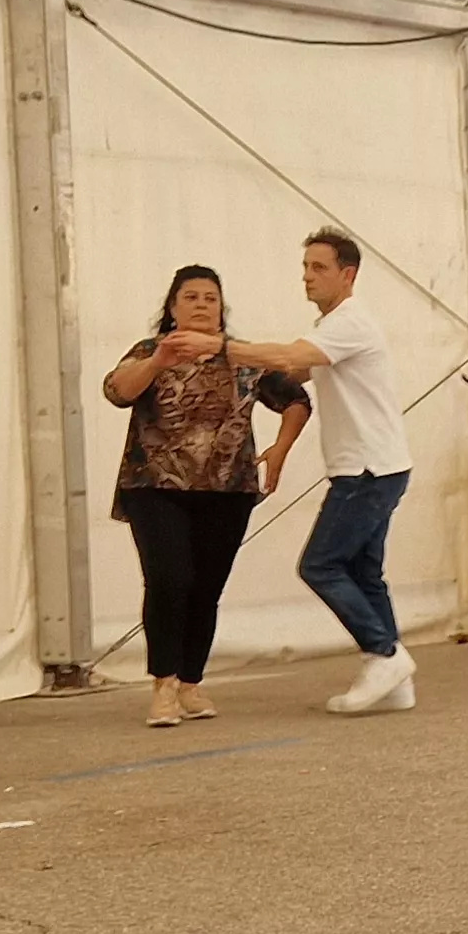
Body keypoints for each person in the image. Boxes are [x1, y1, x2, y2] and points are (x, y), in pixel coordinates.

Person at [103, 266, 310, 727]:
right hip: (156, 486)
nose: (201, 305)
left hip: (227, 489)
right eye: (191, 297)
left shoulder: (242, 356)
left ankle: (191, 682)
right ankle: (163, 683)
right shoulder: (148, 351)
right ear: (172, 307)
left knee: (206, 586)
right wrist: (158, 362)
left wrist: (279, 450)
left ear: (221, 308)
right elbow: (116, 391)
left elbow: (296, 400)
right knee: (168, 579)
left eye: (210, 298)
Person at [223, 229, 418, 716]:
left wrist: (222, 347)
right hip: (375, 466)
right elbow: (296, 371)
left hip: (368, 469)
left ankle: (385, 654)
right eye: (305, 268)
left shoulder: (350, 323)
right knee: (365, 572)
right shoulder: (332, 328)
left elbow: (290, 358)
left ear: (347, 275)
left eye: (319, 268)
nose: (307, 277)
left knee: (321, 565)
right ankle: (392, 677)